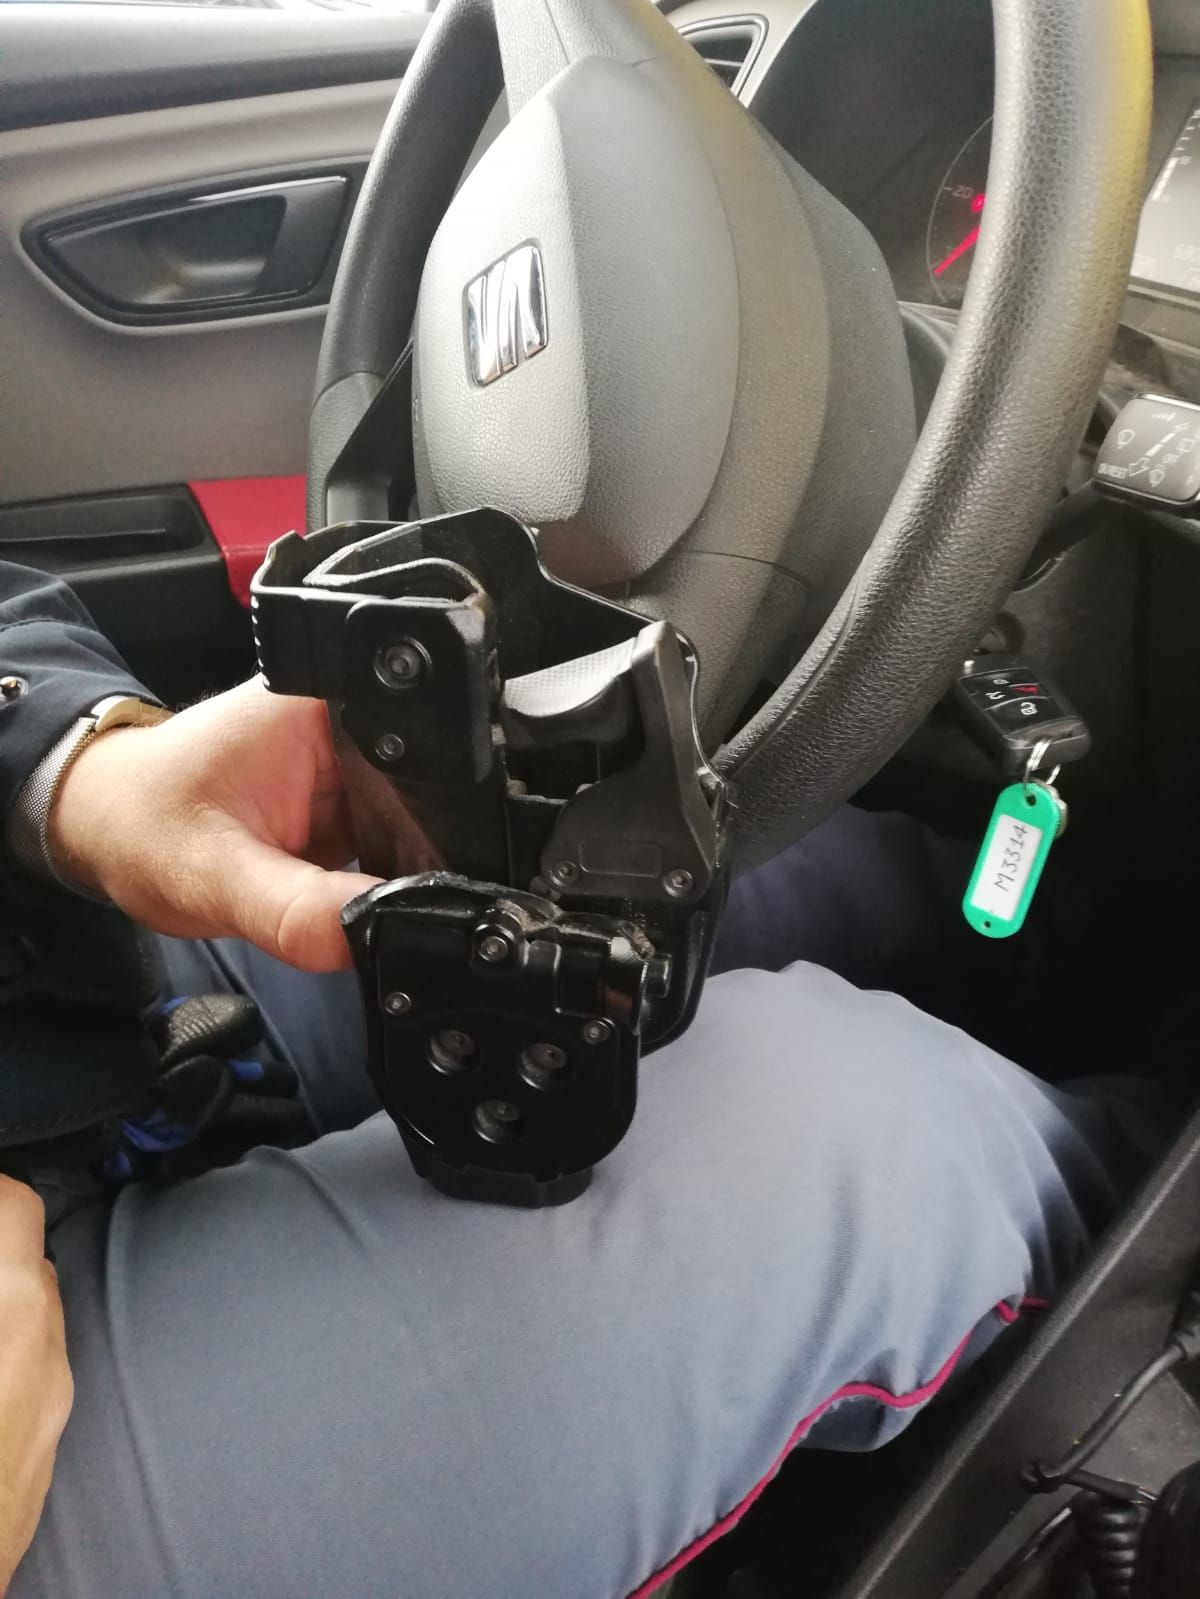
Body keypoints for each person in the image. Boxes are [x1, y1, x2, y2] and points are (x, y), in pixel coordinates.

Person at [0, 559, 1163, 1599]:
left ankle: (1112, 946)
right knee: (869, 1135)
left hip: (44, 997)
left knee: (785, 872)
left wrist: (73, 772)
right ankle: (1156, 1190)